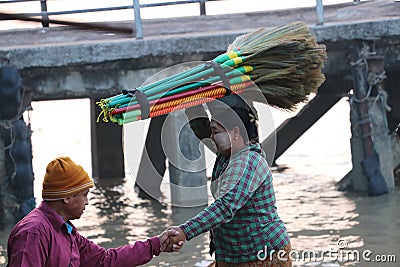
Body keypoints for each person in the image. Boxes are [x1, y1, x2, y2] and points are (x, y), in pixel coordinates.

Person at [168, 94, 292, 267]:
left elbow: (225, 206)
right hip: (235, 255)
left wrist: (185, 231)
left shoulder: (249, 161)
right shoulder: (228, 154)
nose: (211, 137)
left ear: (235, 132)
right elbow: (203, 130)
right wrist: (195, 101)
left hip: (261, 256)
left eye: (216, 132)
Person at [7, 156, 184, 267]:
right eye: (84, 195)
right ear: (67, 197)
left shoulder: (66, 231)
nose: (87, 202)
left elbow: (105, 260)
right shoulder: (34, 232)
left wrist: (155, 245)